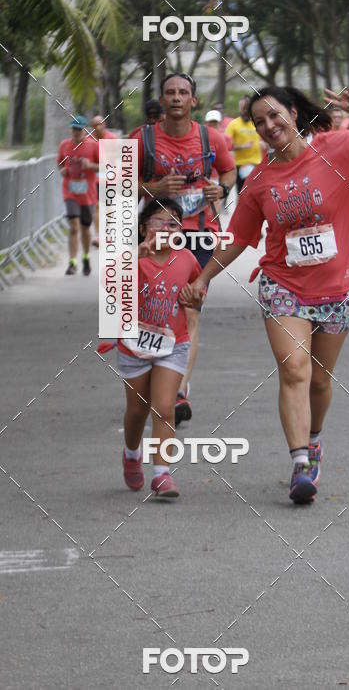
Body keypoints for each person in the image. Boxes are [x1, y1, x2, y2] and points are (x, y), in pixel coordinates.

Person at [180, 86, 349, 504]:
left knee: (320, 380)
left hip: (339, 288)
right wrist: (202, 277)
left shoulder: (339, 149)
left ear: (295, 114)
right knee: (295, 369)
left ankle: (314, 439)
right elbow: (241, 238)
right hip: (284, 285)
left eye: (274, 116)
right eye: (259, 122)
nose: (269, 126)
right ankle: (300, 462)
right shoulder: (261, 180)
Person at [138, 73, 236, 426]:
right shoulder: (143, 139)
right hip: (155, 239)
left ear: (194, 100)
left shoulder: (214, 138)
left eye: (183, 92)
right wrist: (155, 186)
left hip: (198, 235)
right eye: (170, 93)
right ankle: (153, 376)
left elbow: (228, 172)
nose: (177, 97)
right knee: (155, 309)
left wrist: (220, 191)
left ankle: (178, 388)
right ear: (161, 100)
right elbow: (118, 184)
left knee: (189, 311)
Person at [118, 198, 203, 499]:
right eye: (158, 222)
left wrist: (194, 297)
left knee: (164, 408)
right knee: (137, 410)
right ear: (143, 228)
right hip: (134, 346)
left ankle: (162, 474)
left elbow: (197, 293)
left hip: (173, 343)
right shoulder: (132, 259)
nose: (166, 229)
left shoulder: (186, 259)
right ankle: (131, 453)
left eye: (173, 223)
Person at [57, 115, 99, 276]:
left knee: (85, 228)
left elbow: (105, 165)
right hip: (70, 192)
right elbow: (60, 161)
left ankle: (86, 258)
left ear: (85, 130)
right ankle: (72, 262)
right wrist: (62, 170)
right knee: (74, 226)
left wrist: (91, 165)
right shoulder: (64, 145)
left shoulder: (93, 146)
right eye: (74, 129)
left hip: (88, 193)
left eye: (79, 129)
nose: (76, 132)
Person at [225, 97, 263, 193]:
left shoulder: (257, 123)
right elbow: (225, 145)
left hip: (258, 164)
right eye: (242, 108)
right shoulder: (233, 124)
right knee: (244, 194)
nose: (244, 111)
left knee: (257, 193)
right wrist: (242, 146)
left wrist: (264, 143)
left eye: (246, 108)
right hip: (241, 165)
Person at [91, 115, 118, 247]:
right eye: (94, 125)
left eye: (99, 124)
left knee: (108, 207)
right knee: (96, 206)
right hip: (94, 178)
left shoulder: (113, 139)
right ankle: (98, 235)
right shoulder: (89, 140)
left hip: (110, 177)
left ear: (104, 125)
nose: (97, 127)